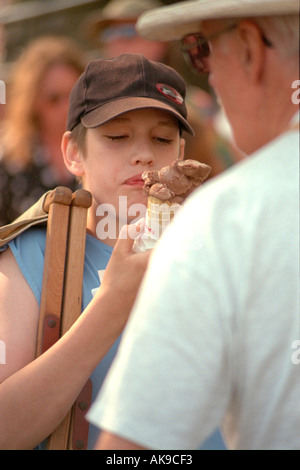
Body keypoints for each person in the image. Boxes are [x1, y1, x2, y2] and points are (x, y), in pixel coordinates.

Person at [88, 0, 300, 450]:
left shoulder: (224, 217)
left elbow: (133, 447)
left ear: (248, 48)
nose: (208, 73)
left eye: (201, 48)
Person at [0, 53, 194, 450]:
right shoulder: (31, 256)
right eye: (117, 136)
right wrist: (112, 304)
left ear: (182, 153)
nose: (144, 154)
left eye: (162, 138)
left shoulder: (219, 247)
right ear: (73, 153)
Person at [0, 36, 86, 225]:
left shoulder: (103, 148)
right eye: (53, 98)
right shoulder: (10, 162)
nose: (66, 107)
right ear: (32, 101)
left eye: (73, 95)